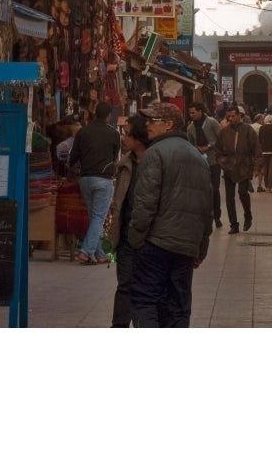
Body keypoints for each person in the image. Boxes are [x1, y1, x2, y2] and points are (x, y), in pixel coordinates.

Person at [128, 102, 213, 327]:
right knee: (178, 306)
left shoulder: (154, 153)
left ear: (168, 125)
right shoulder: (198, 157)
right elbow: (207, 209)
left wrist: (135, 239)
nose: (147, 125)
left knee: (146, 300)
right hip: (185, 248)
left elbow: (145, 203)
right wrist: (200, 248)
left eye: (152, 121)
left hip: (156, 244)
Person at [107, 112, 150, 327]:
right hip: (125, 238)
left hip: (148, 238)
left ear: (140, 137)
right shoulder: (125, 164)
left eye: (127, 134)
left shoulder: (155, 163)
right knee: (124, 286)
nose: (123, 138)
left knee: (146, 289)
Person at [68, 100, 121, 265]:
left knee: (94, 217)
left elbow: (73, 158)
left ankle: (100, 254)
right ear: (108, 115)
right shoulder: (114, 134)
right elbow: (114, 158)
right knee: (99, 217)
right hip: (103, 180)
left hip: (85, 180)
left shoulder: (83, 132)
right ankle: (85, 251)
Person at [214, 103, 260, 234]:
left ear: (239, 116)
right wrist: (223, 161)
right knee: (229, 197)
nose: (231, 119)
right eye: (228, 117)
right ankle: (233, 224)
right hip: (229, 167)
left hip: (244, 166)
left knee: (243, 193)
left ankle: (248, 214)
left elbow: (256, 149)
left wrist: (257, 167)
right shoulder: (223, 132)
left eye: (233, 116)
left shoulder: (248, 130)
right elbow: (217, 150)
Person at [186, 101, 223, 228]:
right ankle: (205, 215)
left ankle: (217, 216)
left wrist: (209, 146)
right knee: (202, 190)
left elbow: (221, 138)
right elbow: (190, 144)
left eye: (193, 112)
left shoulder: (212, 122)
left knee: (214, 189)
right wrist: (197, 149)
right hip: (200, 162)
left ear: (200, 111)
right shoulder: (190, 127)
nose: (191, 115)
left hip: (213, 161)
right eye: (190, 113)